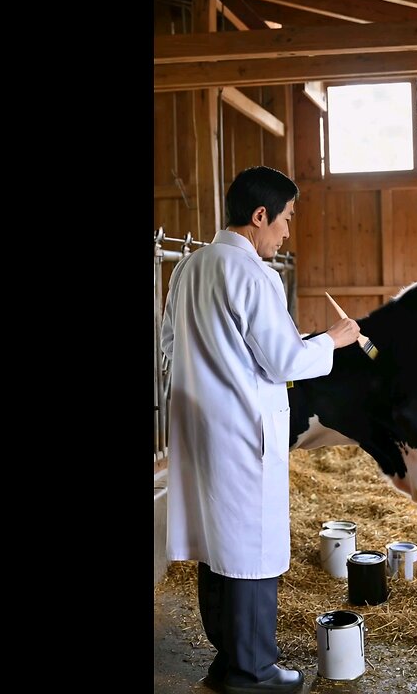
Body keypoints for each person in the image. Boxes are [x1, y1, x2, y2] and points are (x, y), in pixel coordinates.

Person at [160, 165, 361, 694]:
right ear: (259, 216)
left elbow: (168, 346)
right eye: (286, 219)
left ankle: (227, 663)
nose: (287, 232)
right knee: (250, 547)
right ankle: (254, 672)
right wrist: (333, 339)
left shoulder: (189, 267)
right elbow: (284, 361)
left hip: (199, 430)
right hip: (244, 434)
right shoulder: (254, 273)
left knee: (216, 546)